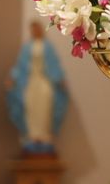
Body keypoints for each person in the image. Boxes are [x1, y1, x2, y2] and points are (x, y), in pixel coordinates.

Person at [6, 20, 68, 156]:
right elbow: (20, 66)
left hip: (44, 81)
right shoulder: (27, 47)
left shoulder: (48, 47)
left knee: (45, 108)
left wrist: (59, 79)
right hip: (30, 82)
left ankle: (45, 137)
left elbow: (54, 65)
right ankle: (32, 137)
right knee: (30, 107)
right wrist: (13, 77)